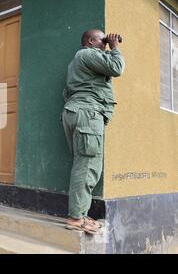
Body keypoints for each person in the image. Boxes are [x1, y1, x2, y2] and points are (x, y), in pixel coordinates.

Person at [62, 30, 125, 235]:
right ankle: (76, 218)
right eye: (102, 39)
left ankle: (79, 213)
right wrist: (115, 48)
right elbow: (117, 68)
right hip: (88, 114)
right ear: (90, 41)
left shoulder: (79, 61)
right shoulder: (86, 54)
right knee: (88, 166)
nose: (105, 42)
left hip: (77, 112)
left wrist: (107, 48)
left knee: (83, 164)